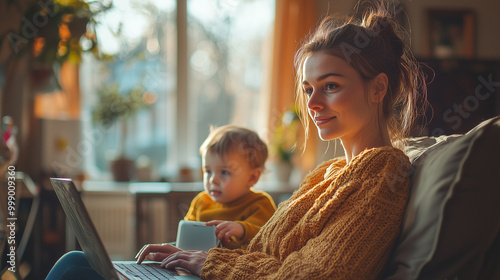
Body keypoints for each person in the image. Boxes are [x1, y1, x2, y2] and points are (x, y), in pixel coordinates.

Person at [47, 3, 427, 279]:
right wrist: (190, 256)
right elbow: (267, 253)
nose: (312, 103)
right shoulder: (328, 174)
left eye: (331, 86)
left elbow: (317, 274)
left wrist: (207, 263)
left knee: (74, 268)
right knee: (79, 262)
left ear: (378, 88)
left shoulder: (383, 172)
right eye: (308, 88)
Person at [184, 125, 276, 249]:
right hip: (195, 264)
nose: (212, 180)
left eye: (224, 172)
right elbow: (186, 235)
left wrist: (242, 230)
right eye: (208, 171)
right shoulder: (201, 202)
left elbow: (269, 237)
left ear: (252, 178)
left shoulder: (260, 203)